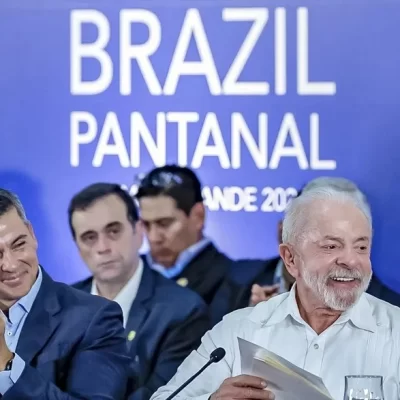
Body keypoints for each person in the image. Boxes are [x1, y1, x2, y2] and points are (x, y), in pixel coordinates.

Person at [151, 185, 400, 400]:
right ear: (290, 259)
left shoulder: (395, 333)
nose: (351, 260)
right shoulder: (238, 330)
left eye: (361, 247)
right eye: (331, 246)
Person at [70, 183, 210, 400]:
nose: (103, 247)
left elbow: (161, 396)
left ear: (139, 231)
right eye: (89, 237)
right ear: (78, 248)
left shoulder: (183, 311)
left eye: (113, 231)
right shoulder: (61, 307)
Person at [0, 189, 129, 399]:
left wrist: (6, 363)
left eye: (19, 245)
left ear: (32, 234)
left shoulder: (94, 320)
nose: (11, 265)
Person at [237, 177, 400, 308]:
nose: (346, 260)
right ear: (285, 234)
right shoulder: (235, 283)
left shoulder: (391, 314)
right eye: (330, 245)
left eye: (358, 245)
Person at [135, 165, 244, 325]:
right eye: (146, 225)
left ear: (198, 216)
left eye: (164, 223)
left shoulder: (236, 284)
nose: (153, 237)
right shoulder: (127, 276)